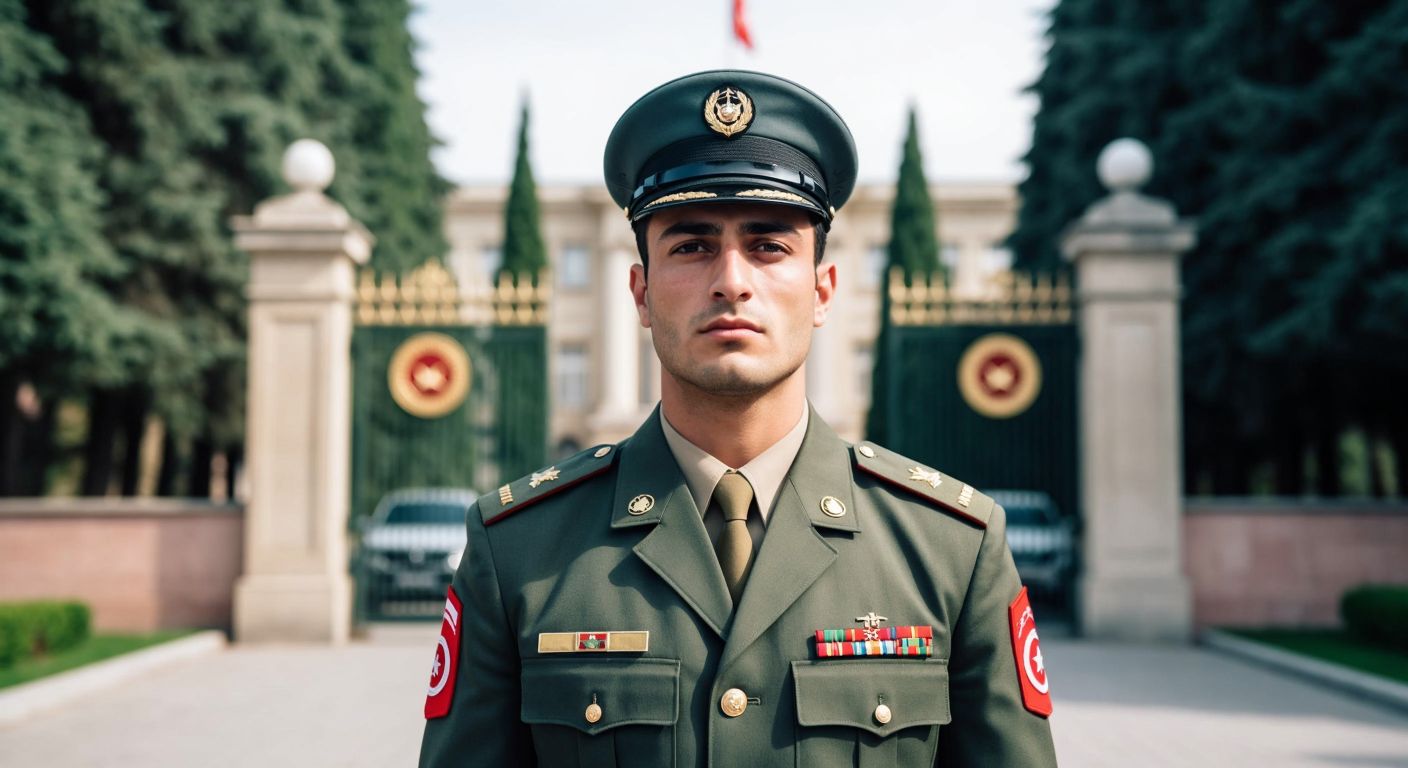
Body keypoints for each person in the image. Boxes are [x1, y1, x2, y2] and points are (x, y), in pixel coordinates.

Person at [419, 69, 1058, 767]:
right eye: (691, 246)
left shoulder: (950, 549)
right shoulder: (519, 552)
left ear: (822, 290)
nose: (732, 279)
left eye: (768, 245)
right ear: (639, 292)